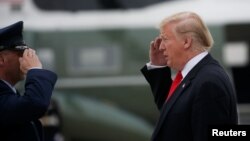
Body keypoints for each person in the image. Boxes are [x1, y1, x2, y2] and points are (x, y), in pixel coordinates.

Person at [141, 11, 238, 141]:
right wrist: (158, 68)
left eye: (165, 39)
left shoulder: (208, 82)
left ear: (186, 42)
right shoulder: (197, 75)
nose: (161, 47)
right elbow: (173, 114)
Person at [0, 21, 57, 141]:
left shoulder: (9, 92)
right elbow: (36, 103)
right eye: (21, 53)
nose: (27, 58)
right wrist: (34, 69)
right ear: (1, 59)